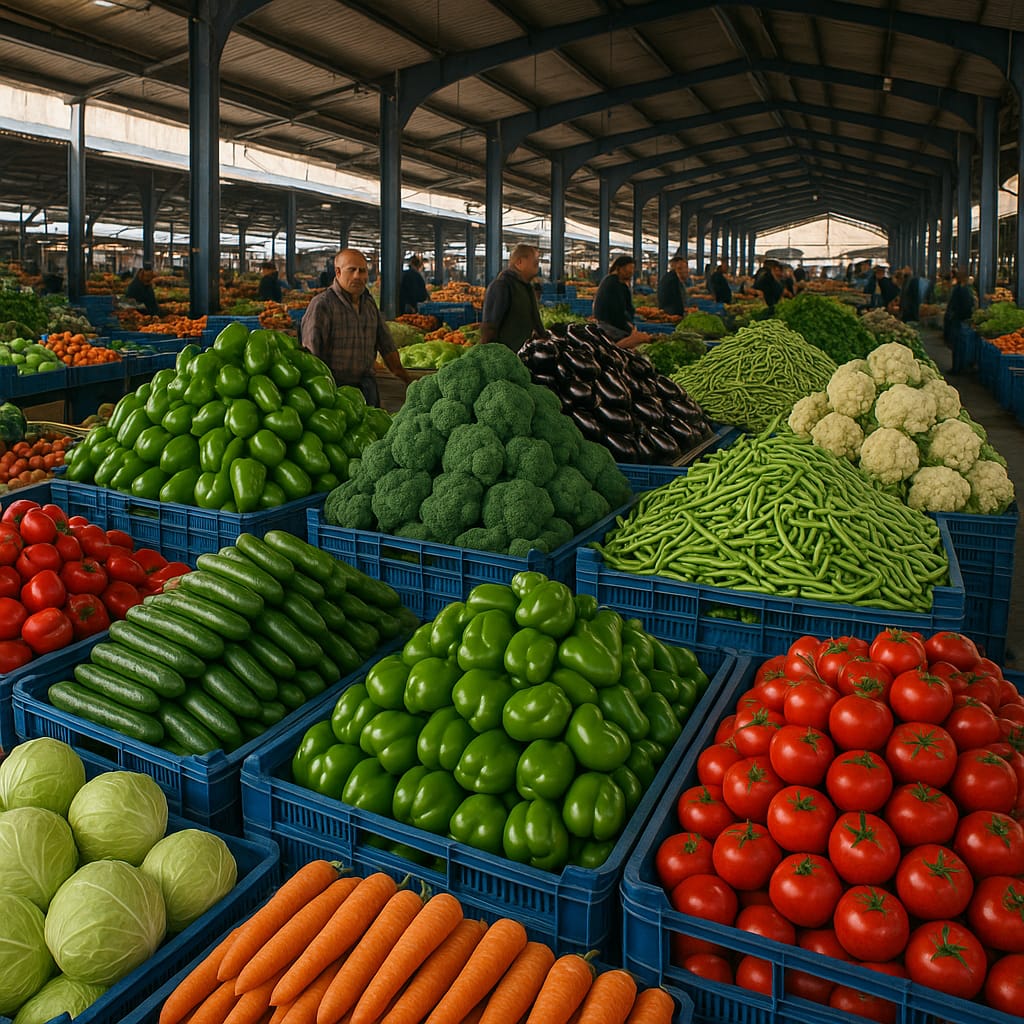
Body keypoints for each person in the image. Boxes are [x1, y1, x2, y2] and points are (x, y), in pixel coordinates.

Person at [301, 248, 411, 406]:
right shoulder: (322, 305)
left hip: (367, 388)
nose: (358, 276)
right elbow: (311, 356)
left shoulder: (369, 303)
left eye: (362, 271)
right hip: (335, 390)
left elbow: (386, 344)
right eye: (351, 270)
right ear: (338, 272)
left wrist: (405, 377)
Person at [479, 243, 544, 351]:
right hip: (505, 358)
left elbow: (536, 321)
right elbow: (489, 327)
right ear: (519, 262)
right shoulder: (502, 285)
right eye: (535, 260)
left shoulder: (526, 286)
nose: (538, 263)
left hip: (521, 356)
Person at [593, 255, 638, 334]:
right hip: (607, 326)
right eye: (628, 270)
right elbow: (616, 312)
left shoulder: (619, 283)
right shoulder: (612, 284)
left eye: (632, 269)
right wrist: (629, 328)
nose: (631, 273)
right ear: (619, 268)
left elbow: (627, 308)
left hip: (611, 323)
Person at [945, 267, 977, 374]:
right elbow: (968, 306)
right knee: (959, 346)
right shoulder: (964, 290)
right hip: (960, 320)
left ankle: (957, 368)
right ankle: (959, 367)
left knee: (958, 346)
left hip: (958, 320)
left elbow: (961, 306)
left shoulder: (961, 290)